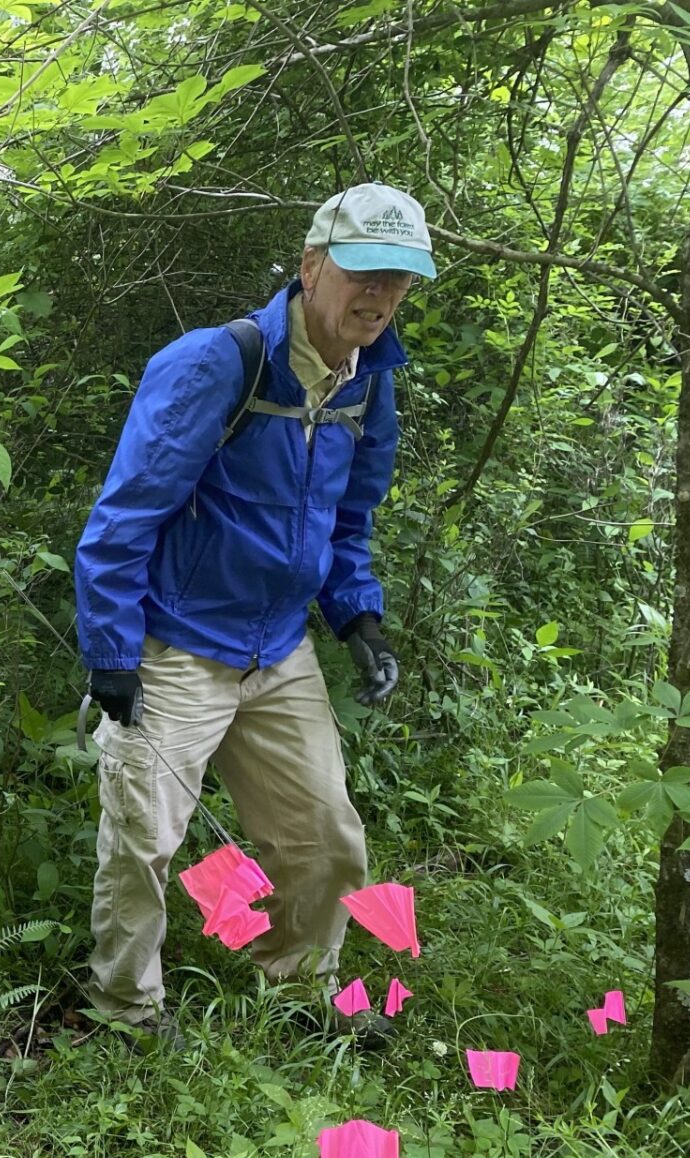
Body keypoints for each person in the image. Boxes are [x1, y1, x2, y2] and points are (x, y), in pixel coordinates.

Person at [72, 182, 435, 1044]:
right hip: (176, 645)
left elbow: (350, 518)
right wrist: (113, 654)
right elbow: (122, 520)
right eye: (365, 273)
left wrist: (357, 618)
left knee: (326, 839)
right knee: (142, 841)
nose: (381, 296)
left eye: (401, 279)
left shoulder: (367, 383)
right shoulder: (218, 364)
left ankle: (304, 992)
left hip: (276, 649)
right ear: (312, 267)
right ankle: (125, 1014)